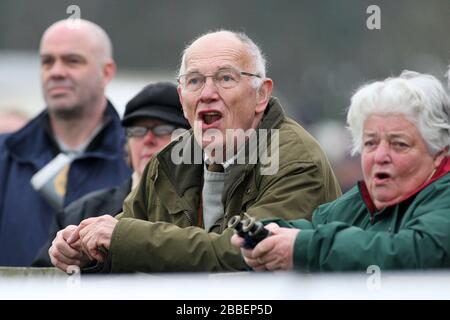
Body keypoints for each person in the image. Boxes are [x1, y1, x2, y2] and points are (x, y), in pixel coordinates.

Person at [49, 30, 341, 273]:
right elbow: (123, 241)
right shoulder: (168, 161)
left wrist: (121, 238)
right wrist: (84, 249)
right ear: (181, 98)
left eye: (226, 78)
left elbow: (246, 252)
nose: (207, 93)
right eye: (194, 81)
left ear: (261, 94)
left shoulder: (295, 159)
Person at [232, 71, 450, 271]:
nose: (380, 156)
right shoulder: (361, 202)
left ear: (439, 153)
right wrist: (268, 235)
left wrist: (302, 248)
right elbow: (314, 227)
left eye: (399, 144)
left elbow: (416, 253)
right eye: (370, 143)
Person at [0, 19, 131, 266]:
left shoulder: (141, 158)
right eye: (47, 61)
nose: (57, 71)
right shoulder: (4, 155)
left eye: (73, 61)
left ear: (107, 72)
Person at [33, 82, 190, 267]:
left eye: (163, 129)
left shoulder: (208, 207)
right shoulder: (82, 213)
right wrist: (65, 256)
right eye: (137, 131)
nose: (147, 139)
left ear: (190, 140)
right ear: (127, 145)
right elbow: (39, 281)